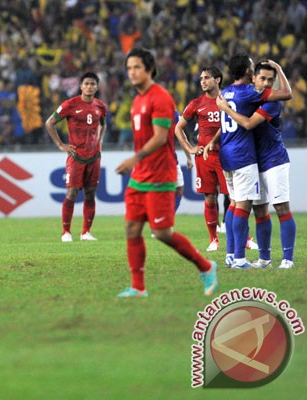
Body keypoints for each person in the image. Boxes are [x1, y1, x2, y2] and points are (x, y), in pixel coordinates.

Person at [115, 48, 217, 298]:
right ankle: (138, 287)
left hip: (160, 176)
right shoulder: (137, 100)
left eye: (137, 67)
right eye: (129, 68)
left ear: (150, 69)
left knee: (162, 233)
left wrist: (134, 158)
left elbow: (161, 138)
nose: (132, 72)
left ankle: (205, 266)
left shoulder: (160, 98)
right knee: (131, 227)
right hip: (141, 175)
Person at [215, 54, 292, 269]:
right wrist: (278, 67)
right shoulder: (250, 94)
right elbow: (286, 94)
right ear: (250, 72)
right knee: (243, 207)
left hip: (227, 155)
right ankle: (239, 259)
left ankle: (231, 254)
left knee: (234, 204)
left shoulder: (226, 92)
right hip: (243, 156)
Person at [45, 71, 108, 242]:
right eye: (86, 84)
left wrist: (100, 140)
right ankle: (66, 232)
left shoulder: (100, 106)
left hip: (94, 157)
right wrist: (60, 145)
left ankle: (86, 232)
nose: (89, 87)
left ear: (96, 87)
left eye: (92, 84)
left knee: (90, 194)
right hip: (76, 156)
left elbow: (103, 123)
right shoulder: (70, 105)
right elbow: (49, 122)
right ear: (81, 86)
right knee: (72, 192)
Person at [175, 66, 229, 252]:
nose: (203, 81)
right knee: (210, 197)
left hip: (227, 155)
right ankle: (213, 239)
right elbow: (178, 128)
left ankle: (243, 238)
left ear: (218, 80)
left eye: (207, 77)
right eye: (201, 79)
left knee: (234, 198)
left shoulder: (228, 100)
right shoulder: (196, 103)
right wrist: (190, 148)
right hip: (204, 157)